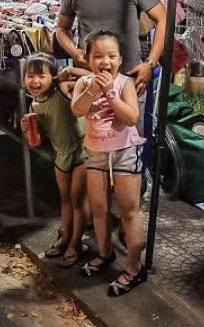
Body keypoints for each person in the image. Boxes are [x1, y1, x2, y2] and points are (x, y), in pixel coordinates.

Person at [57, 0, 166, 137]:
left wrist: (150, 64)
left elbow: (163, 20)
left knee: (130, 152)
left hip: (129, 82)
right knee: (95, 152)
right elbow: (61, 29)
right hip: (91, 85)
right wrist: (75, 52)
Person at [71, 30, 144, 297]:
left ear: (120, 59)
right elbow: (77, 110)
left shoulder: (124, 84)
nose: (105, 61)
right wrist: (93, 89)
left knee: (129, 212)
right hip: (96, 155)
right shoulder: (84, 83)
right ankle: (105, 254)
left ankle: (135, 268)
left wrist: (110, 94)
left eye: (111, 56)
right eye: (98, 55)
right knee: (99, 210)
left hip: (124, 152)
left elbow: (132, 117)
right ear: (88, 60)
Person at [22, 53, 89, 268]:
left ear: (53, 77)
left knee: (78, 201)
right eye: (30, 76)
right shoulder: (33, 107)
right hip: (61, 157)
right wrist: (28, 131)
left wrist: (70, 72)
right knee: (65, 200)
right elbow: (38, 141)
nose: (35, 81)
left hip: (81, 153)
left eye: (41, 76)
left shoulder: (63, 89)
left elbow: (92, 78)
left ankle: (75, 245)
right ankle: (65, 236)